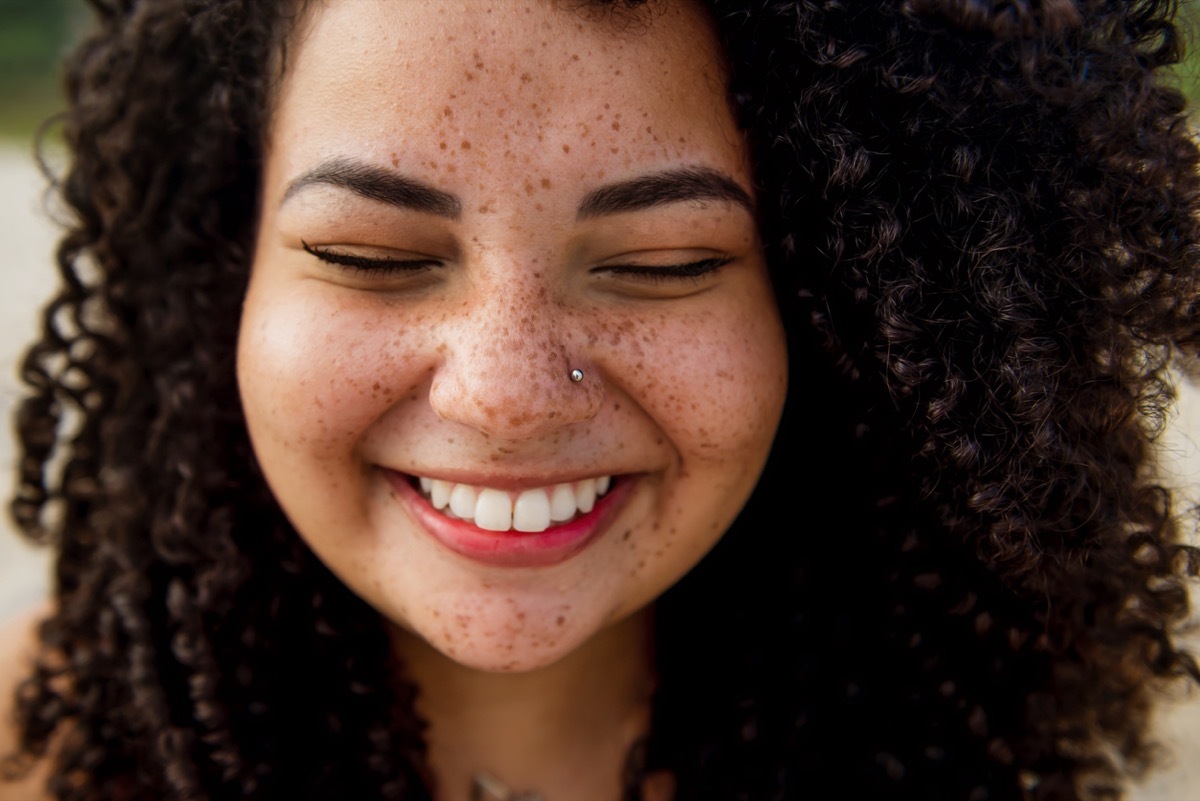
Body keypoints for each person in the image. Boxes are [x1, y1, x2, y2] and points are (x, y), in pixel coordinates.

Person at [1, 0, 1199, 798]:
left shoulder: (968, 760)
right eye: (371, 256)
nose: (506, 396)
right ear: (224, 273)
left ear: (840, 312)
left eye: (665, 264)